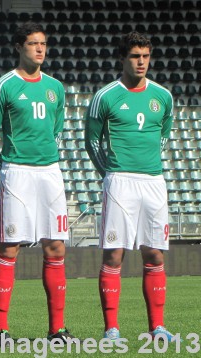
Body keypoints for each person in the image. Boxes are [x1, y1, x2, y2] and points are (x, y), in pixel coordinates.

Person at [0, 22, 74, 345]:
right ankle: (2, 329)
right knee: (10, 247)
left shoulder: (55, 88)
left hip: (49, 172)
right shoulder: (4, 85)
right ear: (19, 47)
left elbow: (55, 129)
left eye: (43, 44)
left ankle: (56, 329)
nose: (39, 49)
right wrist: (3, 169)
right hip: (16, 172)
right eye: (33, 43)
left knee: (56, 246)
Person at [85, 31, 175, 341]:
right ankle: (111, 328)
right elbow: (92, 141)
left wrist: (146, 162)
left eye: (145, 56)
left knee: (155, 255)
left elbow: (163, 135)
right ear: (123, 58)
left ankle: (157, 328)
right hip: (119, 181)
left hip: (153, 181)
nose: (141, 62)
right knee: (114, 255)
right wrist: (109, 172)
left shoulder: (163, 96)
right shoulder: (106, 96)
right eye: (135, 56)